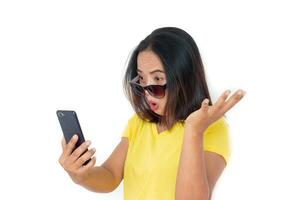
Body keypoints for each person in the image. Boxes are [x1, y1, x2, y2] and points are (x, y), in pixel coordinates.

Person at [58, 27, 246, 200]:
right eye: (141, 79)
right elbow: (110, 175)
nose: (147, 92)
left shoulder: (212, 129)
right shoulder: (138, 123)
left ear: (184, 79)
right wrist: (81, 175)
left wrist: (194, 131)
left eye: (157, 79)